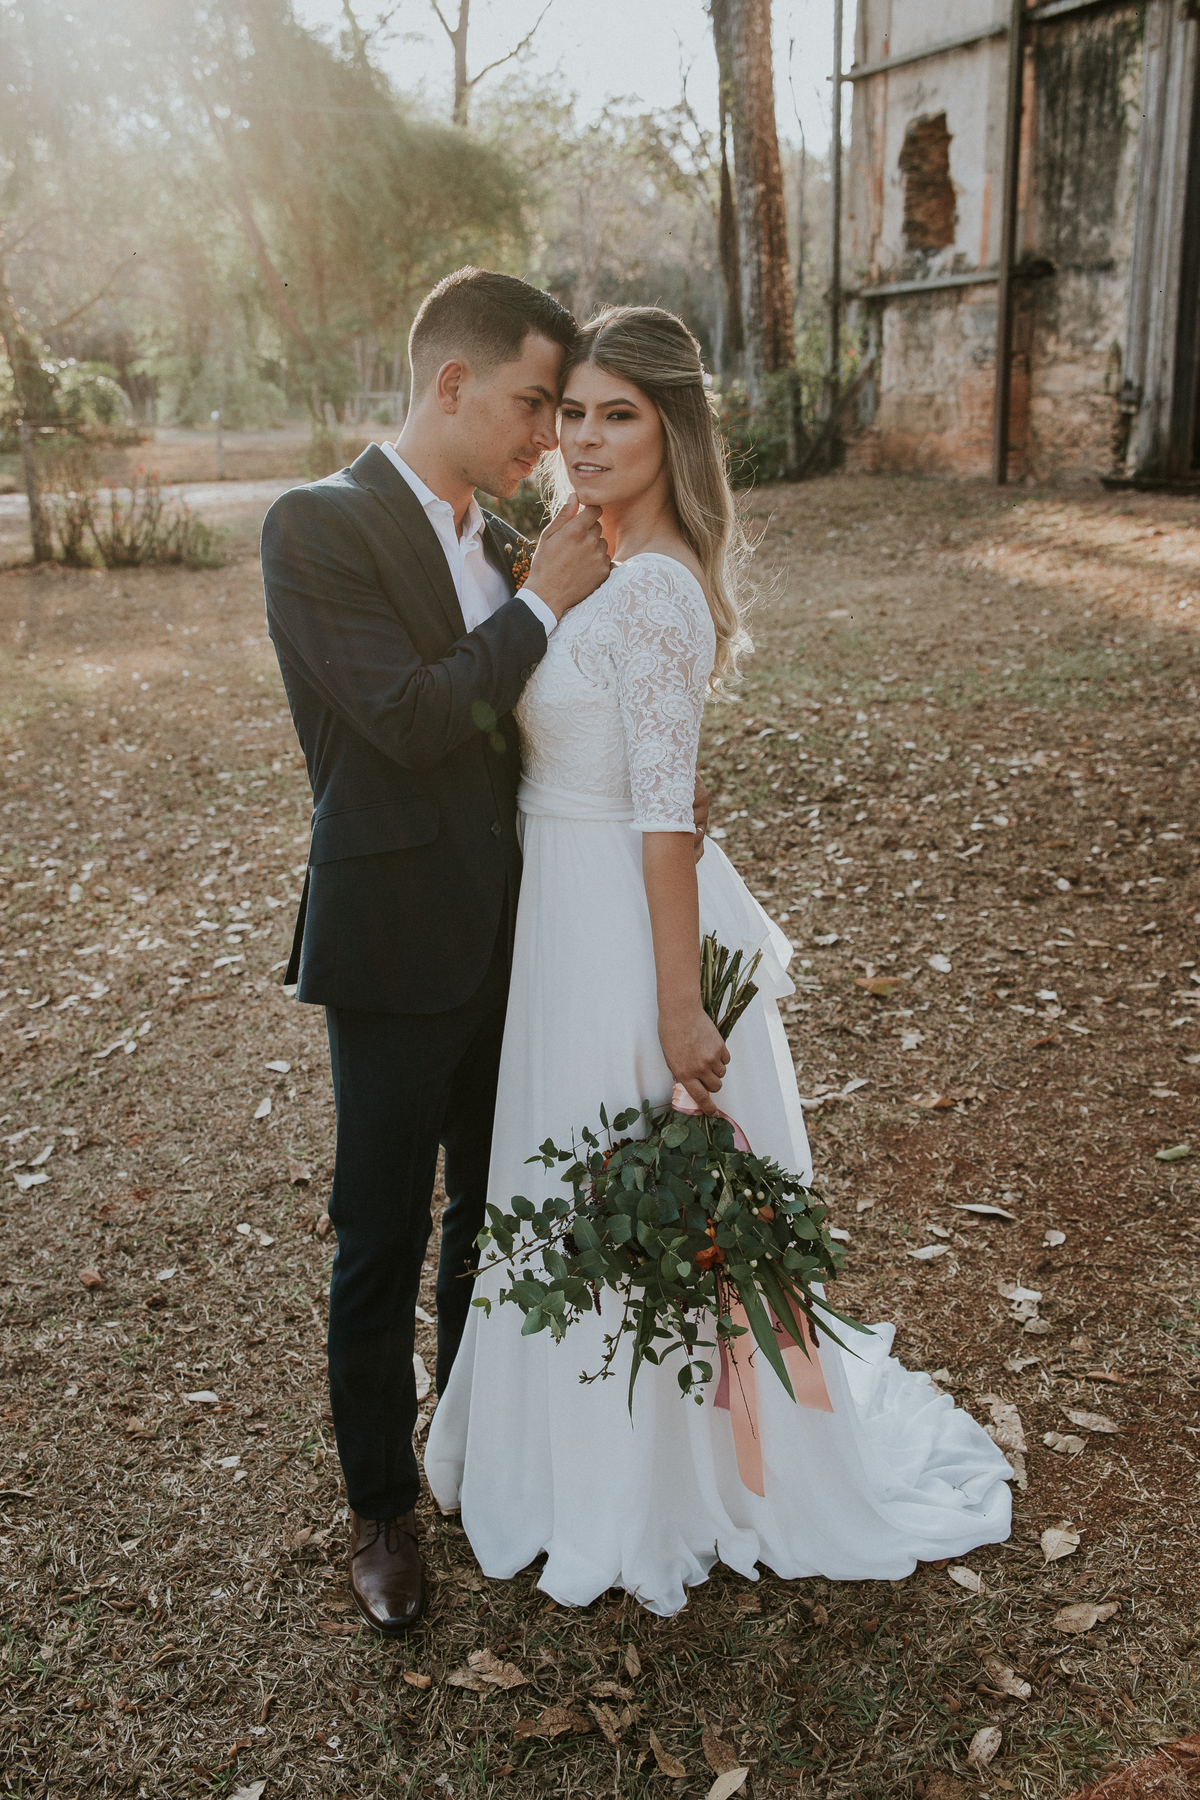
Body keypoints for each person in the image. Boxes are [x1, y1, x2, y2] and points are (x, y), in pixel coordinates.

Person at [425, 305, 1013, 1617]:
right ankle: (563, 1453)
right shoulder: (598, 560)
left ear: (674, 428)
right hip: (559, 914)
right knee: (555, 1170)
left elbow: (666, 812)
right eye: (569, 411)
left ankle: (650, 1484)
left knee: (611, 1176)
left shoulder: (658, 590)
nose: (582, 436)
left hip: (624, 933)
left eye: (616, 413)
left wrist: (681, 1005)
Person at [262, 268, 686, 1638]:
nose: (544, 438)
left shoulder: (509, 541)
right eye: (529, 404)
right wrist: (543, 610)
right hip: (391, 946)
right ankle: (380, 1507)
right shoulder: (316, 527)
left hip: (520, 935)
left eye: (564, 411)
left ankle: (464, 1438)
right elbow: (400, 717)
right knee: (381, 1232)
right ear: (451, 383)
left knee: (492, 1212)